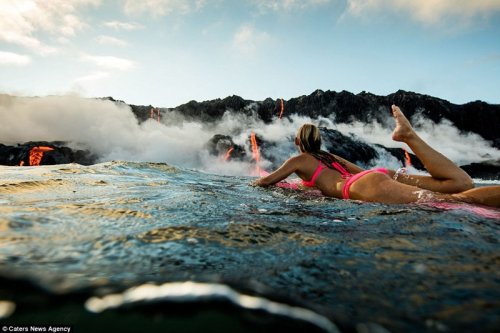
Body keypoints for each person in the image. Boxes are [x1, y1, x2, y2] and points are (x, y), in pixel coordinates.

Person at [254, 105, 500, 208]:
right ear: (318, 141)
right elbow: (360, 172)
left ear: (298, 142)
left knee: (455, 201)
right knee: (460, 185)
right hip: (376, 176)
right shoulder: (330, 157)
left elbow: (266, 182)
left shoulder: (299, 160)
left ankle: (408, 135)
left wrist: (254, 183)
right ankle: (409, 137)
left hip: (363, 187)